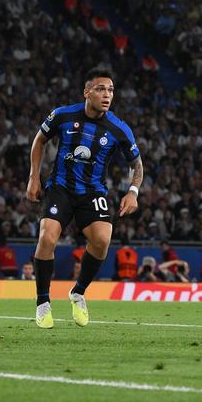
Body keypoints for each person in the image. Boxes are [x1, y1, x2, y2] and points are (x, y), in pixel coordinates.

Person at [26, 68, 143, 329]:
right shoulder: (63, 115)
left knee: (102, 241)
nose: (107, 94)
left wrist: (133, 192)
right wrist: (34, 177)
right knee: (47, 237)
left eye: (111, 90)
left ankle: (78, 292)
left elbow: (137, 165)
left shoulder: (118, 128)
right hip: (61, 188)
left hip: (92, 192)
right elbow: (39, 141)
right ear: (87, 92)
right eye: (101, 89)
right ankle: (43, 302)